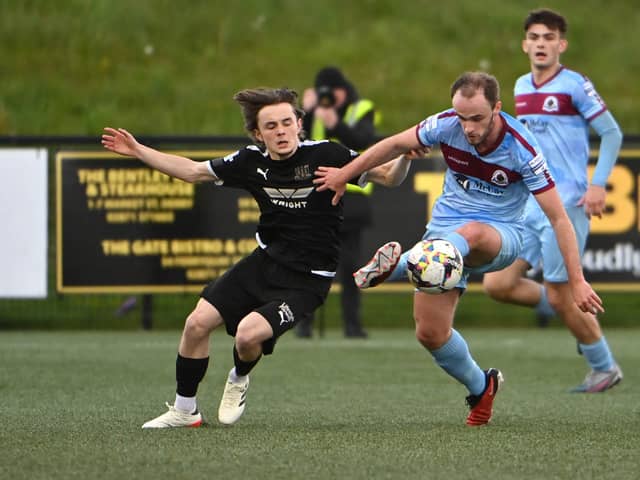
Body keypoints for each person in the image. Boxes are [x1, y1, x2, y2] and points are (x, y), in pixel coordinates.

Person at [101, 87, 415, 428]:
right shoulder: (250, 162)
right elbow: (193, 171)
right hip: (263, 263)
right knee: (196, 324)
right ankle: (185, 410)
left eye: (286, 122)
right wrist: (137, 151)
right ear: (258, 134)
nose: (280, 131)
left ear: (299, 124)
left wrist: (405, 158)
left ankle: (238, 376)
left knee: (248, 337)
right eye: (270, 126)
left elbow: (388, 177)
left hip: (308, 279)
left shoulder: (329, 154)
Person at [314, 72, 604, 426]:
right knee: (430, 333)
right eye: (462, 117)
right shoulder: (446, 124)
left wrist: (577, 280)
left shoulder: (522, 149)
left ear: (497, 108)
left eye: (477, 118)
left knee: (472, 233)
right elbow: (392, 144)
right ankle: (482, 386)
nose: (467, 127)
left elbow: (560, 219)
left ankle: (401, 264)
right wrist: (344, 175)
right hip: (443, 236)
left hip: (499, 236)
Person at [482, 9, 623, 392]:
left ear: (561, 45)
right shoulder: (520, 87)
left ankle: (604, 367)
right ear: (525, 43)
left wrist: (599, 184)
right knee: (498, 284)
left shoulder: (575, 85)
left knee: (563, 295)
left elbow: (612, 134)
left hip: (568, 204)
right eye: (534, 37)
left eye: (549, 38)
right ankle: (577, 319)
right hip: (532, 203)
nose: (541, 44)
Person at [297, 66, 380, 338]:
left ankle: (352, 325)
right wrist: (306, 112)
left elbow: (364, 141)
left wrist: (336, 124)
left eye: (331, 93)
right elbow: (300, 144)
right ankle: (303, 323)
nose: (327, 98)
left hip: (353, 201)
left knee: (350, 266)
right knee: (311, 262)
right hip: (319, 196)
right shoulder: (316, 111)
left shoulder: (362, 108)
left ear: (343, 91)